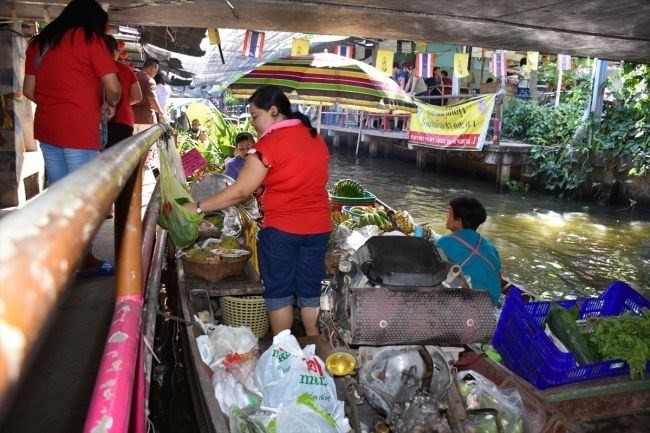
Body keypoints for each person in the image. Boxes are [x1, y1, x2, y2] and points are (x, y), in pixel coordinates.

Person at [183, 85, 331, 336]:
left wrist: (197, 206)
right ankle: (313, 341)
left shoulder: (268, 144)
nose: (253, 125)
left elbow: (241, 191)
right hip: (319, 229)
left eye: (254, 116)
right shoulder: (315, 137)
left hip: (283, 230)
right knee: (309, 289)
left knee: (280, 293)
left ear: (273, 111)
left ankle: (283, 351)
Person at [23, 0, 121, 277]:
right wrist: (109, 104)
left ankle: (59, 258)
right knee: (82, 199)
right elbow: (113, 87)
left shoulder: (39, 43)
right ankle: (84, 260)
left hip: (47, 129)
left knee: (60, 195)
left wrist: (56, 102)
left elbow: (28, 90)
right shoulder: (90, 39)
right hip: (79, 130)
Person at [435, 196, 502, 305]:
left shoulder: (444, 243)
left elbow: (430, 275)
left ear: (459, 220)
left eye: (450, 213)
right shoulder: (490, 247)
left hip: (469, 305)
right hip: (492, 303)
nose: (447, 216)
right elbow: (498, 278)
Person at [104, 34, 143, 148]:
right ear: (115, 52)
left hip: (98, 120)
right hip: (124, 122)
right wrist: (124, 102)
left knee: (97, 161)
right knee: (119, 162)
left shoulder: (92, 67)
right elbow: (138, 96)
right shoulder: (126, 70)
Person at [132, 57, 164, 133]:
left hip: (131, 117)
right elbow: (152, 98)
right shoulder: (149, 80)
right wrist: (160, 112)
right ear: (153, 68)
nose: (155, 73)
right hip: (145, 119)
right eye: (156, 71)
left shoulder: (133, 75)